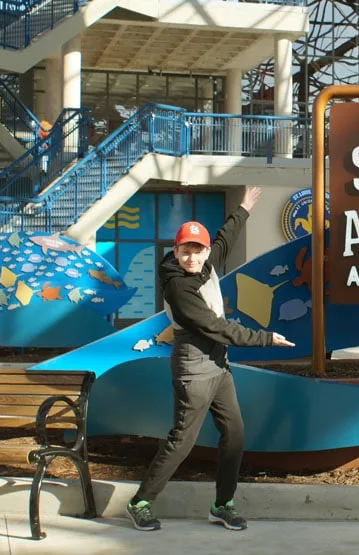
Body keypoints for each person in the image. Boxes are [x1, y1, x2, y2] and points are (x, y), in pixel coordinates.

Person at [126, 185, 295, 532]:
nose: (193, 257)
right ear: (175, 251)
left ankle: (222, 505)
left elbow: (223, 239)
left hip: (219, 366)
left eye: (198, 251)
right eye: (186, 251)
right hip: (194, 367)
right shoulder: (178, 286)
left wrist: (244, 207)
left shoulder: (206, 264)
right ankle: (140, 501)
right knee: (182, 441)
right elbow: (214, 327)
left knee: (234, 434)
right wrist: (264, 338)